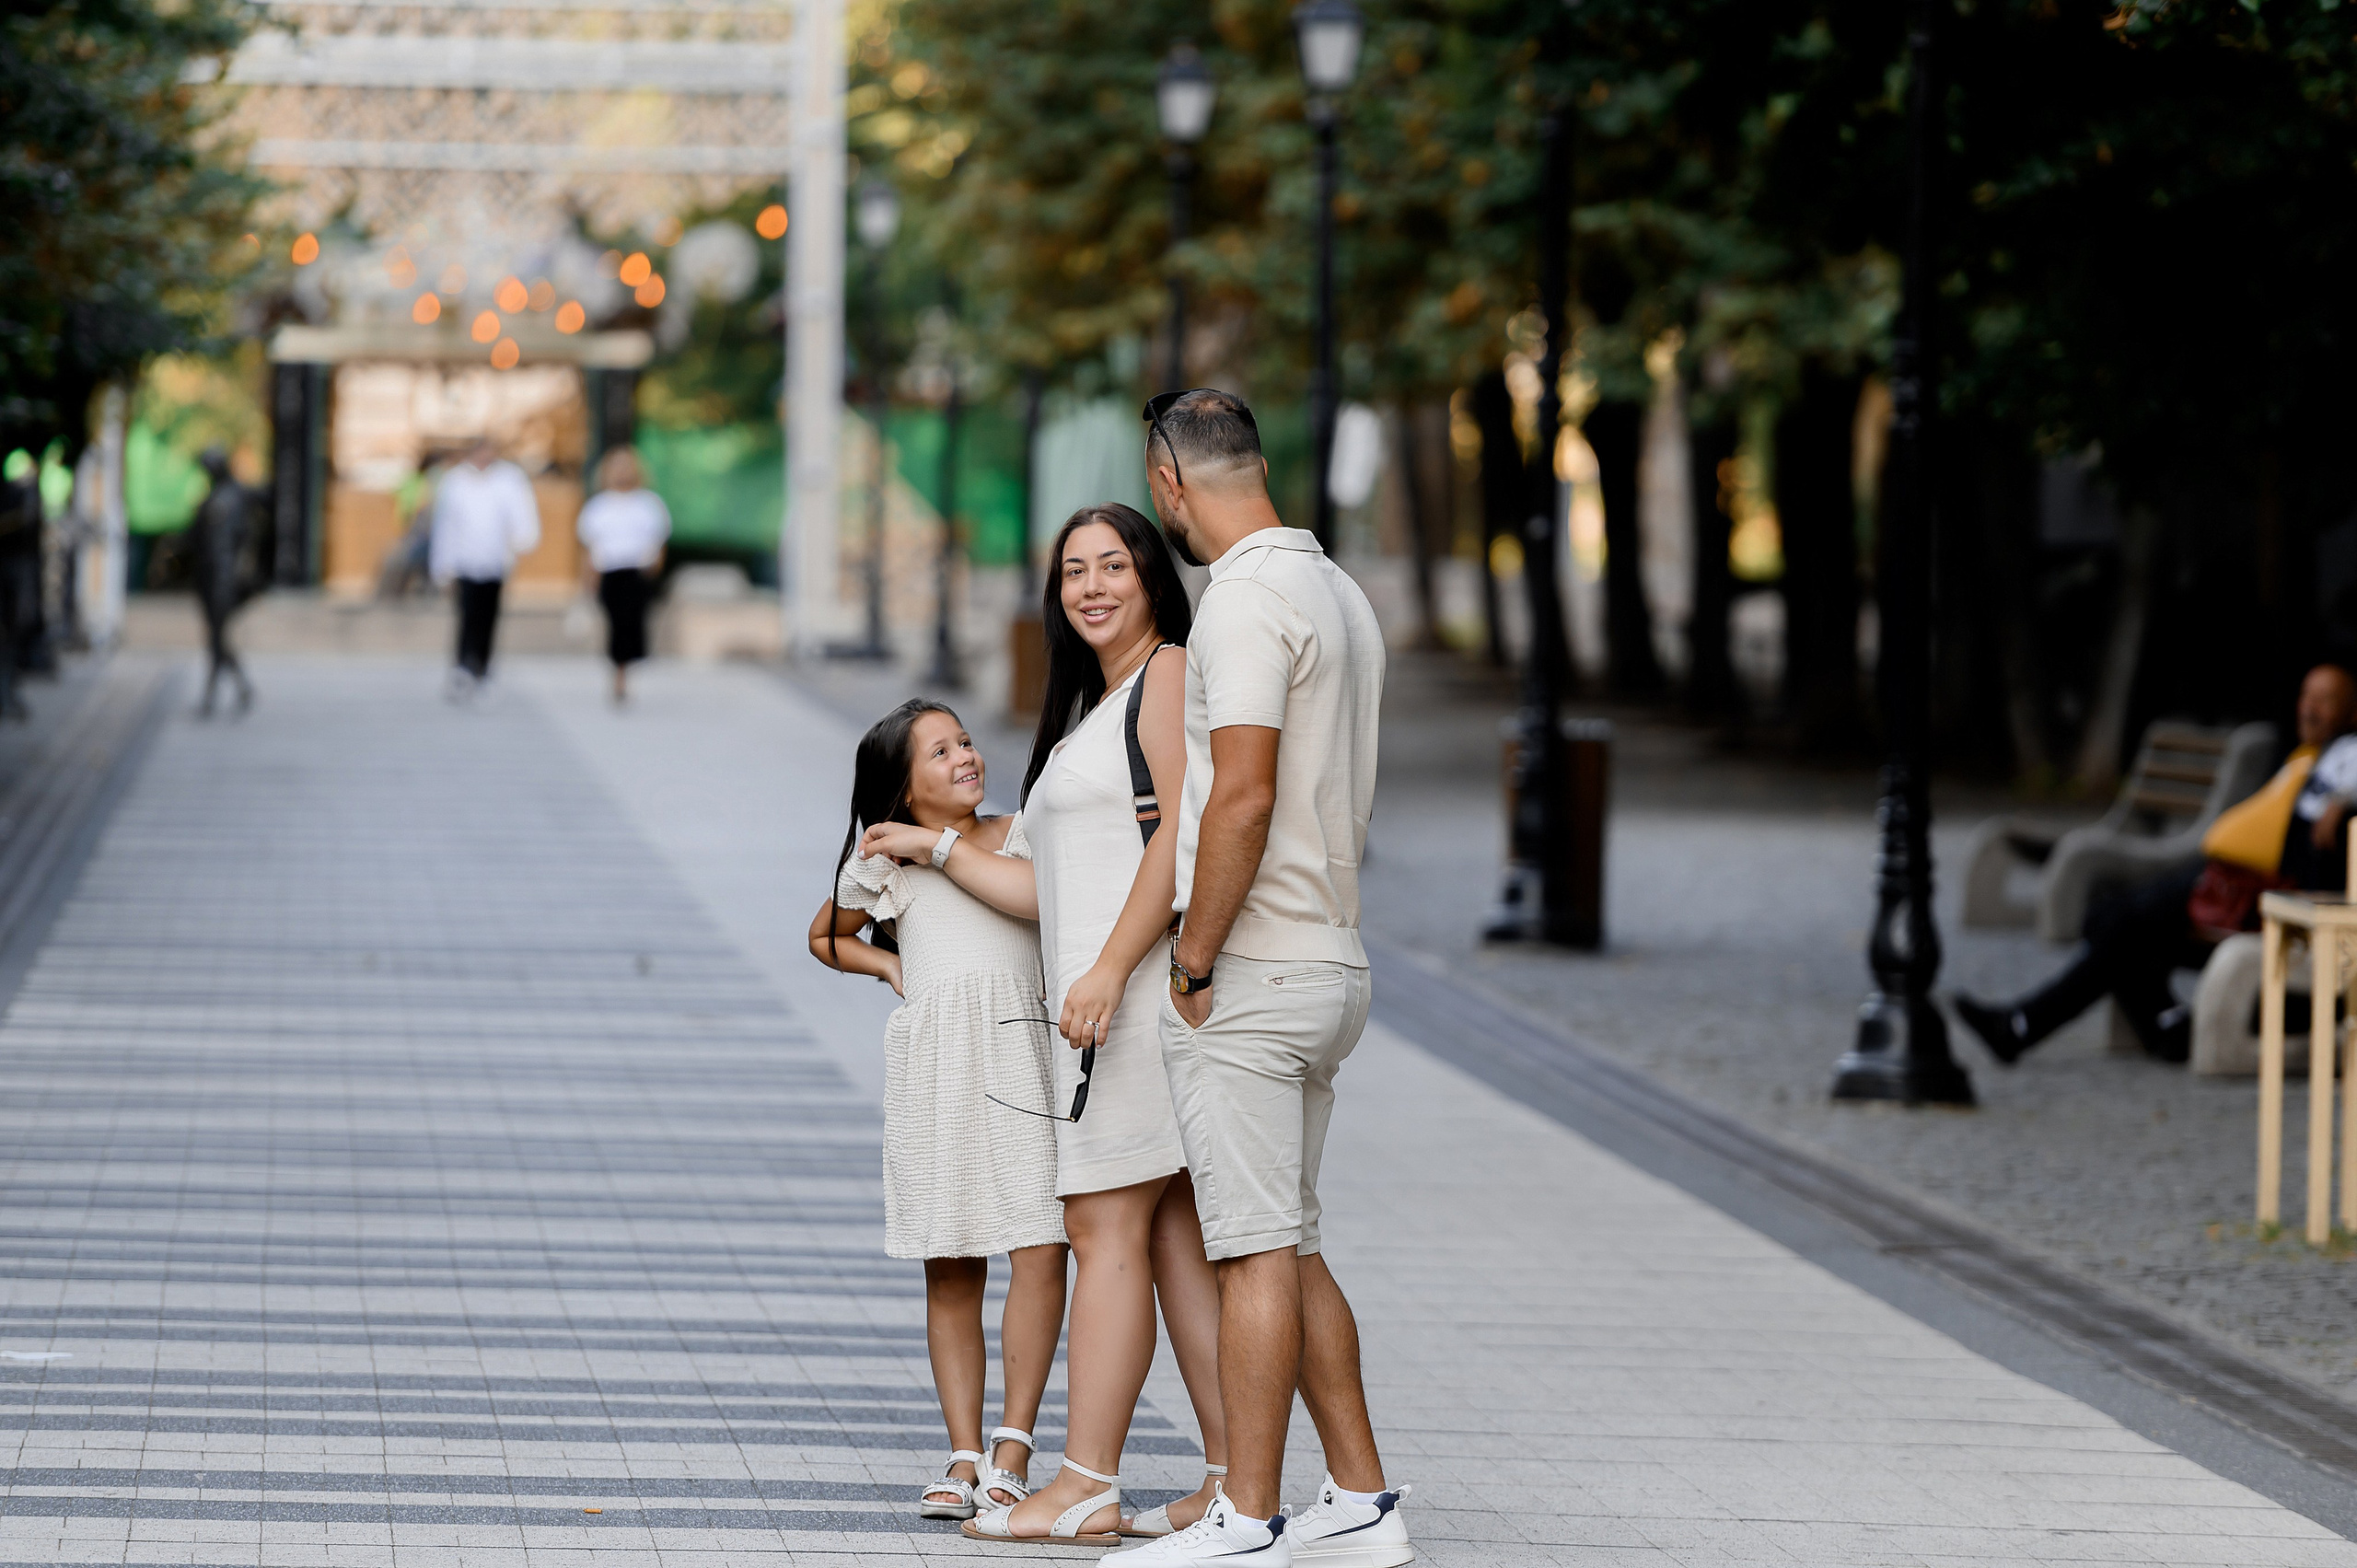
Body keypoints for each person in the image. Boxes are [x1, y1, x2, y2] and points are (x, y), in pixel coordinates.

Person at [861, 504, 1230, 1547]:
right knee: (1169, 1241)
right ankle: (1229, 1475)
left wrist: (1112, 966)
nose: (1092, 585)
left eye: (1114, 564)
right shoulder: (1102, 699)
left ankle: (1086, 1481)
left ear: (1154, 576)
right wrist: (935, 860)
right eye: (1074, 570)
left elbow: (1181, 839)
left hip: (1132, 1002)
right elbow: (1050, 891)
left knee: (1103, 1230)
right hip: (1109, 1007)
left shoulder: (1161, 675)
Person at [1116, 389, 1412, 1568]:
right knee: (1285, 1241)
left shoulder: (1239, 599)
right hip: (1332, 956)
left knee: (1247, 1248)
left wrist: (1194, 959)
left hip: (1255, 964)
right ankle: (1360, 1498)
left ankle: (1245, 1513)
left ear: (1167, 482)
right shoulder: (1338, 592)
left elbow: (1238, 790)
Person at [807, 700, 1068, 1522]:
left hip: (1023, 1064)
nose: (965, 755)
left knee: (1038, 1242)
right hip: (937, 1074)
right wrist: (887, 967)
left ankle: (1014, 1444)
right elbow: (825, 936)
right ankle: (962, 1450)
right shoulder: (887, 866)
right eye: (939, 750)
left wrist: (940, 846)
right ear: (901, 787)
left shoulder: (1022, 831)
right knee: (950, 1260)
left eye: (964, 741)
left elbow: (1037, 902)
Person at [1955, 662, 2357, 1065]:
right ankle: (2165, 1026)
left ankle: (2023, 1025)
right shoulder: (2307, 755)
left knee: (2115, 923)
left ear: (2352, 713)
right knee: (2107, 917)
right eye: (2307, 697)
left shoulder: (2348, 754)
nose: (2309, 708)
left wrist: (2346, 801)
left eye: (2325, 701)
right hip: (2227, 881)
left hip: (2261, 899)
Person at [428, 436, 540, 697]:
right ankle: (463, 665)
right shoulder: (455, 481)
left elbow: (522, 516)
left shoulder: (509, 479)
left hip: (495, 560)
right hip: (465, 561)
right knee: (467, 614)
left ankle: (484, 667)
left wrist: (522, 542)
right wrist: (443, 566)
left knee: (489, 616)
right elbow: (446, 524)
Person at [575, 447, 669, 704]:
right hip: (610, 572)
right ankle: (619, 673)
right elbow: (590, 548)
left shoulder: (649, 503)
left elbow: (658, 542)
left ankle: (624, 671)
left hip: (636, 573)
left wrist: (653, 571)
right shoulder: (598, 506)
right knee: (617, 624)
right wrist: (588, 581)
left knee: (633, 623)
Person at [189, 448, 257, 717]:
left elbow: (238, 540)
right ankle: (239, 688)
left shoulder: (230, 497)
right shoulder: (217, 496)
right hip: (210, 575)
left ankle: (213, 696)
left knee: (217, 638)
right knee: (217, 638)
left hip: (222, 577)